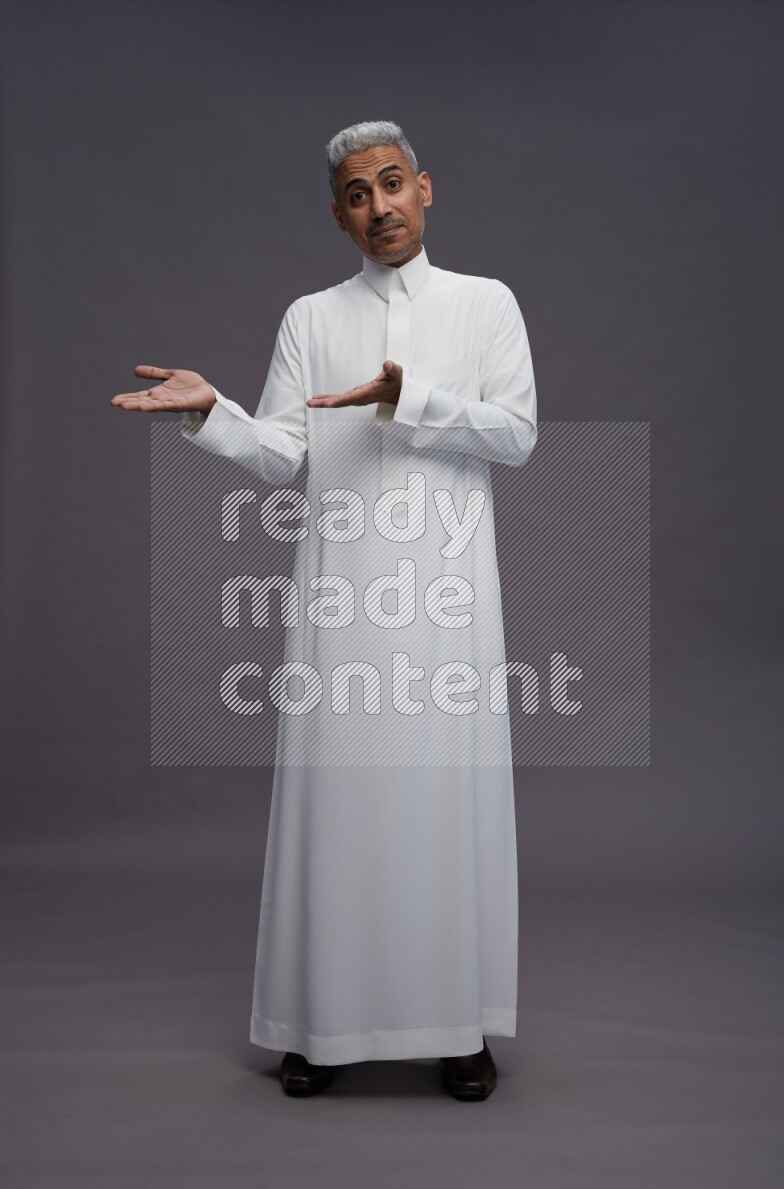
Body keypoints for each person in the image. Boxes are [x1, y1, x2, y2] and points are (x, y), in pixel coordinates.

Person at [111, 119, 538, 1101]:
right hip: (340, 592)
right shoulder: (310, 318)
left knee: (443, 800)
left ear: (424, 189)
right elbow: (278, 453)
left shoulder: (485, 307)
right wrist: (206, 410)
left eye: (392, 184)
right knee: (334, 806)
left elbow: (514, 434)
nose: (379, 205)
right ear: (338, 213)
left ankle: (459, 1024)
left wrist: (411, 398)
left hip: (444, 598)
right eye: (357, 193)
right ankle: (318, 1022)